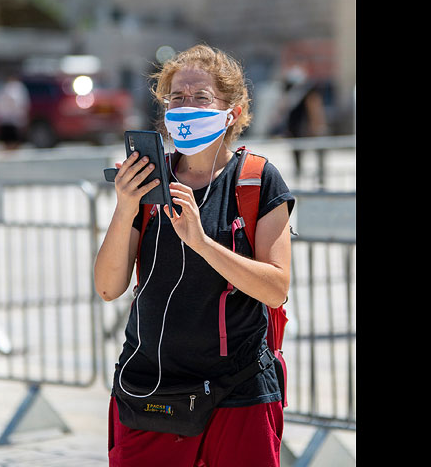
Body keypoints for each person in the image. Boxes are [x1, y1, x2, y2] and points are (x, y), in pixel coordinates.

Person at [94, 44, 295, 467]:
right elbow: (108, 287)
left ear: (232, 112)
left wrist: (202, 243)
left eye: (200, 97)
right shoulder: (147, 183)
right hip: (152, 387)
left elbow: (276, 289)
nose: (185, 107)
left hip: (237, 389)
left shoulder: (257, 180)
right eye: (176, 98)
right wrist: (125, 206)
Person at [272, 65, 329, 178]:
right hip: (296, 128)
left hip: (305, 126)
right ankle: (300, 174)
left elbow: (314, 108)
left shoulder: (308, 91)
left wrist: (317, 125)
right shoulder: (290, 91)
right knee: (297, 153)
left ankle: (320, 174)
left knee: (318, 151)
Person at [0, 74, 30, 150]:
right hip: (8, 121)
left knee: (13, 142)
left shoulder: (15, 88)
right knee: (8, 142)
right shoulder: (4, 89)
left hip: (11, 121)